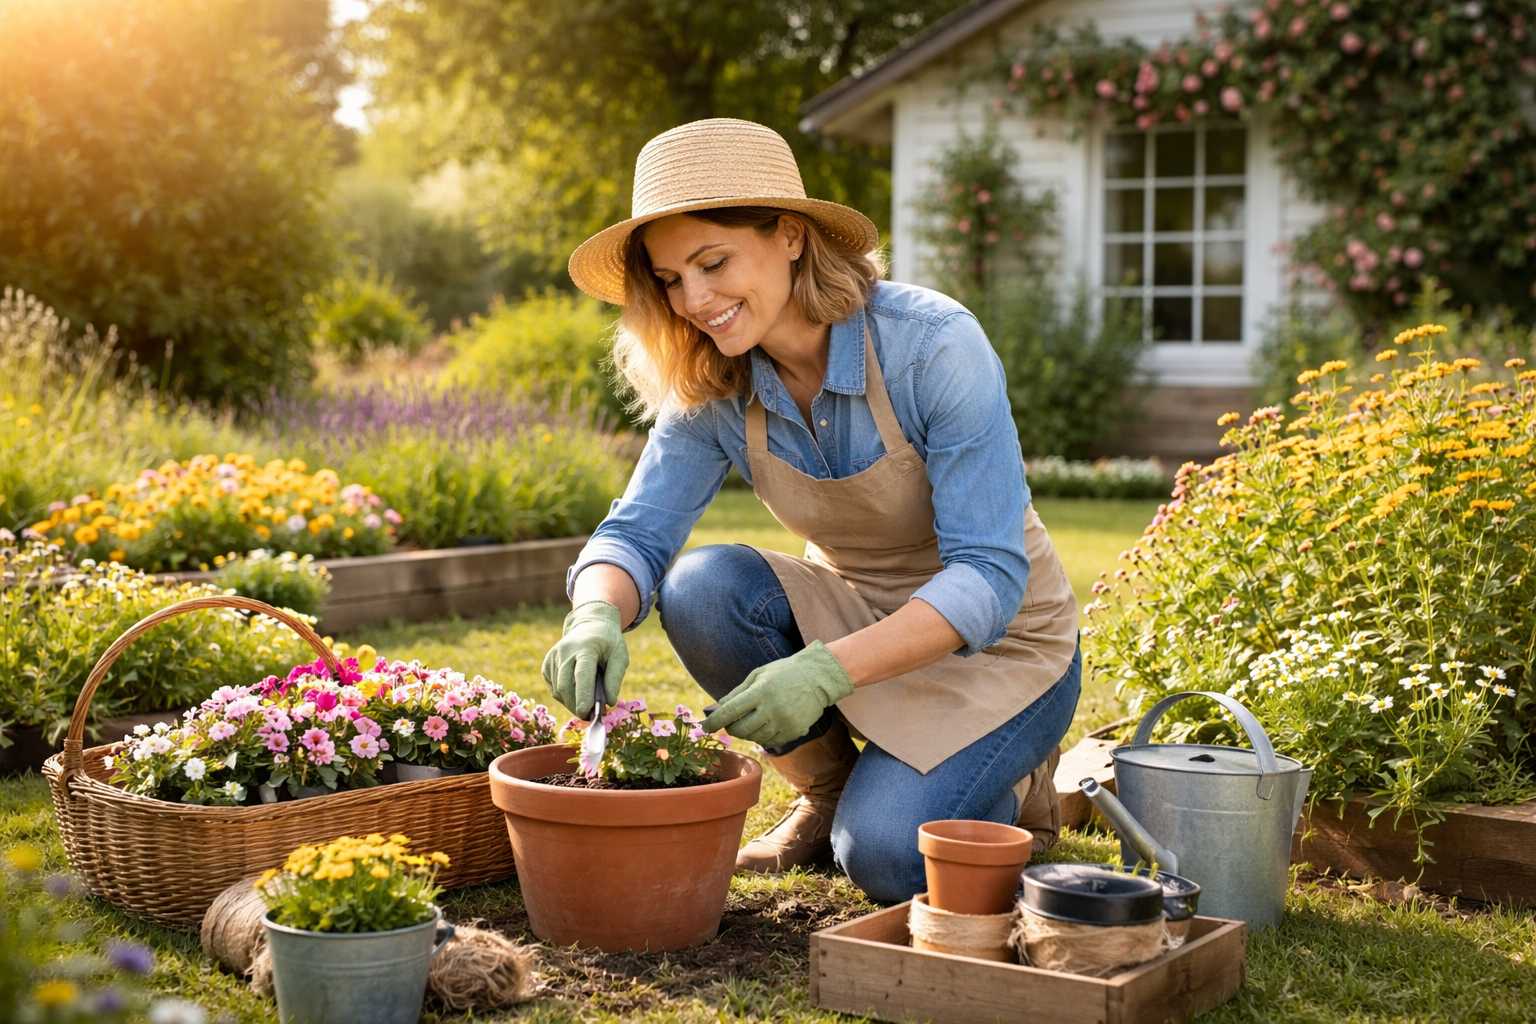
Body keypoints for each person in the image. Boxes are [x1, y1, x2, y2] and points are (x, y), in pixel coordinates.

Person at [542, 117, 1079, 903]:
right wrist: (593, 612)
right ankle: (828, 795)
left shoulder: (931, 346)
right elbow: (638, 533)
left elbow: (989, 580)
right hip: (858, 609)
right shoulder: (714, 377)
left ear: (790, 235)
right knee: (703, 589)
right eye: (669, 279)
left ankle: (1015, 789)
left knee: (891, 861)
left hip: (1003, 652)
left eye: (712, 262)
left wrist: (826, 670)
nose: (694, 300)